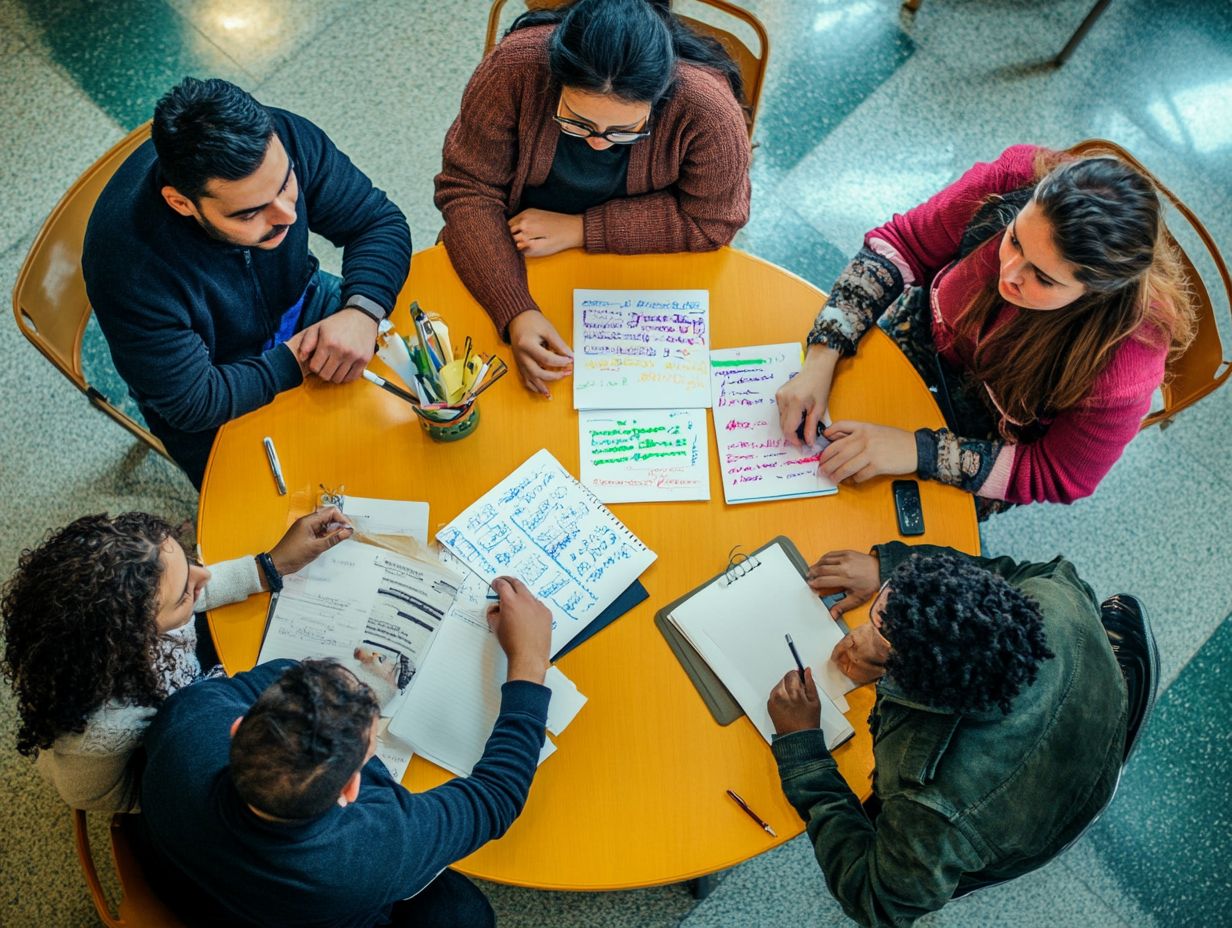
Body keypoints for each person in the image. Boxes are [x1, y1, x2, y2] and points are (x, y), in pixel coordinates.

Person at [775, 144, 1195, 516]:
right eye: (1013, 240)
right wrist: (823, 353)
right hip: (924, 337)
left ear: (1095, 293)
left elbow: (1060, 473)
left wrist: (919, 451)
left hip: (989, 436)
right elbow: (903, 244)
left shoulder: (1126, 357)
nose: (1007, 274)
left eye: (1044, 279)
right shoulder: (1014, 179)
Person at [137, 576, 553, 928]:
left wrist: (343, 695)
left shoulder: (187, 721)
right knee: (466, 913)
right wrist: (529, 661)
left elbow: (276, 674)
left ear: (239, 726)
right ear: (350, 790)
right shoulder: (368, 852)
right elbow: (497, 798)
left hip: (191, 875)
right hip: (298, 910)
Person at [767, 543, 1139, 926]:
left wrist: (804, 748)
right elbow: (997, 575)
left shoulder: (930, 801)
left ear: (923, 682)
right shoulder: (1054, 598)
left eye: (882, 626)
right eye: (887, 601)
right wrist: (888, 566)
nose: (870, 624)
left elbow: (877, 903)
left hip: (1023, 825)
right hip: (1095, 726)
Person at [83, 77, 412, 487]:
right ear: (181, 203)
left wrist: (361, 310)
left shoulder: (281, 136)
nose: (287, 216)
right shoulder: (128, 267)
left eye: (286, 183)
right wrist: (297, 359)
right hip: (215, 378)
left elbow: (377, 222)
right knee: (281, 517)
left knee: (415, 411)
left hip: (303, 303)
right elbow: (194, 401)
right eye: (248, 213)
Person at [436, 0, 751, 397]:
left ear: (660, 95)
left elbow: (713, 222)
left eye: (624, 130)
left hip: (638, 270)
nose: (599, 143)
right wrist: (515, 310)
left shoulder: (708, 110)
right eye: (576, 122)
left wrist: (582, 229)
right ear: (556, 78)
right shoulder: (515, 67)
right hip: (511, 248)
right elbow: (467, 188)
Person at [0, 508, 352, 811]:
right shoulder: (101, 730)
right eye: (186, 593)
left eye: (188, 563)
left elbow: (182, 588)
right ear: (137, 635)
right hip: (172, 770)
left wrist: (268, 566)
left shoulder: (126, 613)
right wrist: (177, 786)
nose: (206, 576)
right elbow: (95, 795)